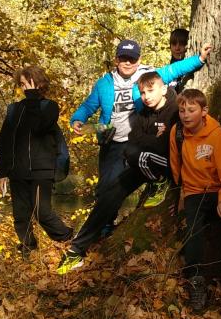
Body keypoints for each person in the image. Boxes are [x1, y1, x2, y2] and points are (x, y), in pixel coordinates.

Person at [70, 39, 211, 231]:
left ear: (139, 59)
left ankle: (156, 184)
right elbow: (89, 105)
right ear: (116, 59)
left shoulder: (147, 76)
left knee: (125, 181)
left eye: (132, 59)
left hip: (138, 141)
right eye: (123, 58)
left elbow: (174, 70)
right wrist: (78, 118)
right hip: (112, 142)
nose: (128, 63)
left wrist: (199, 58)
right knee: (104, 189)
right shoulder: (104, 83)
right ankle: (105, 227)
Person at [57, 71, 180, 274]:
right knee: (110, 193)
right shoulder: (142, 112)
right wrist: (153, 140)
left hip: (169, 166)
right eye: (143, 92)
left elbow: (166, 143)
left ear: (163, 88)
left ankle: (159, 183)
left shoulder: (175, 109)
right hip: (144, 162)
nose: (147, 96)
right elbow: (136, 138)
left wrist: (153, 141)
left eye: (151, 90)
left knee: (134, 153)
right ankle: (76, 250)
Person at [169, 89, 221, 311]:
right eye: (182, 111)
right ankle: (196, 280)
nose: (185, 115)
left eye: (191, 110)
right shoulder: (177, 133)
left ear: (204, 111)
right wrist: (179, 194)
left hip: (220, 189)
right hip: (193, 192)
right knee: (193, 231)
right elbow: (176, 165)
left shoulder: (216, 135)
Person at [0, 65, 73, 257]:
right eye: (21, 84)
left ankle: (68, 240)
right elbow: (4, 141)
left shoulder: (50, 107)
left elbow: (38, 127)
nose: (24, 88)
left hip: (42, 170)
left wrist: (32, 98)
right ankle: (28, 252)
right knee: (20, 216)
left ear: (39, 83)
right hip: (17, 171)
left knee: (42, 212)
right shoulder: (14, 110)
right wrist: (3, 172)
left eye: (27, 83)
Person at [168, 28, 194, 93]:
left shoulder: (192, 67)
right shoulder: (168, 70)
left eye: (182, 44)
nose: (177, 48)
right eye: (174, 44)